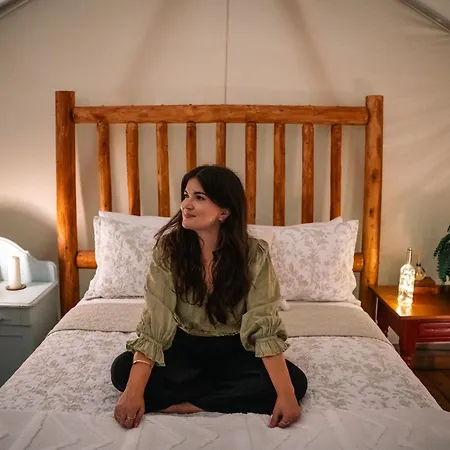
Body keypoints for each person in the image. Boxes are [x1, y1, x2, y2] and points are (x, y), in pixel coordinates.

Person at [111, 165, 307, 430]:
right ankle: (219, 399)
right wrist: (133, 392)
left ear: (224, 212)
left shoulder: (254, 254)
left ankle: (187, 404)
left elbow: (263, 324)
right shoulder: (169, 250)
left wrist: (286, 395)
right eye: (185, 195)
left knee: (296, 384)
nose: (186, 205)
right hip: (183, 346)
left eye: (199, 197)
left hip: (235, 347)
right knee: (122, 370)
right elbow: (157, 320)